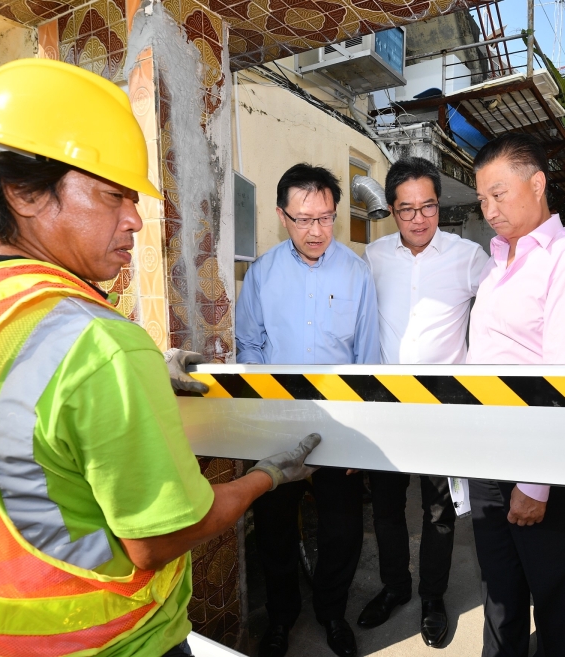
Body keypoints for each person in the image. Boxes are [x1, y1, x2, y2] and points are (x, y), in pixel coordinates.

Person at [0, 58, 320, 657]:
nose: (135, 221)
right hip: (104, 642)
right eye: (111, 196)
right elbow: (159, 540)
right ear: (23, 193)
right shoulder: (99, 345)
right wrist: (267, 477)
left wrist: (138, 375)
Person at [466, 134, 565, 657]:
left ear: (537, 183)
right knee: (498, 593)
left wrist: (537, 483)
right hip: (489, 455)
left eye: (499, 194)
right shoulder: (498, 261)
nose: (490, 210)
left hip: (540, 465)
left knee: (552, 600)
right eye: (482, 199)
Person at [234, 164, 380, 657]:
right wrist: (266, 415)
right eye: (303, 219)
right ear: (282, 216)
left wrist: (360, 434)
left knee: (342, 530)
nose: (316, 230)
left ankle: (332, 613)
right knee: (275, 530)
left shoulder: (356, 272)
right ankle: (280, 619)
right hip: (278, 427)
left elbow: (368, 357)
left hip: (339, 425)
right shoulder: (261, 273)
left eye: (326, 218)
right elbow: (248, 348)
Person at [359, 157, 489, 647]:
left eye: (428, 207)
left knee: (437, 510)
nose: (419, 219)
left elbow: (504, 312)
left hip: (441, 413)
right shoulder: (372, 258)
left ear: (440, 205)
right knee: (388, 508)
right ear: (392, 209)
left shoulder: (469, 257)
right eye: (407, 209)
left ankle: (433, 598)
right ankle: (395, 587)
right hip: (386, 411)